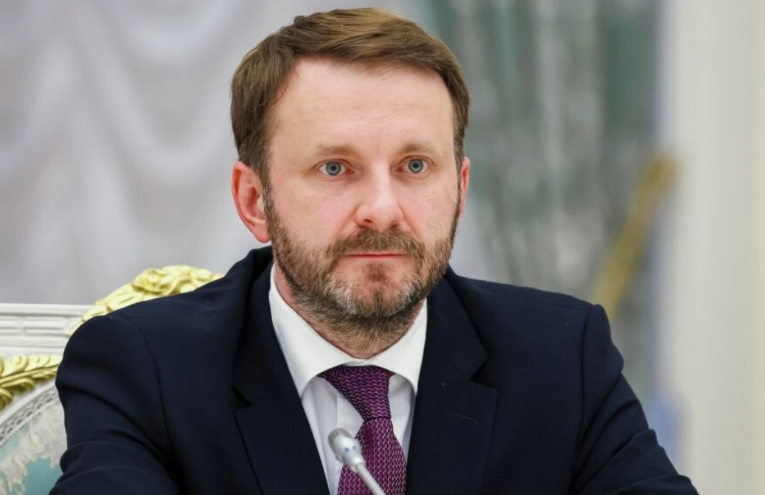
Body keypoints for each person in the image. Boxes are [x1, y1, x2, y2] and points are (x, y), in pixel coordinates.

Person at [53, 8, 697, 495]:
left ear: (460, 190)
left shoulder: (562, 356)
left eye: (415, 166)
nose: (383, 209)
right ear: (255, 201)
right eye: (335, 168)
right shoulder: (144, 369)